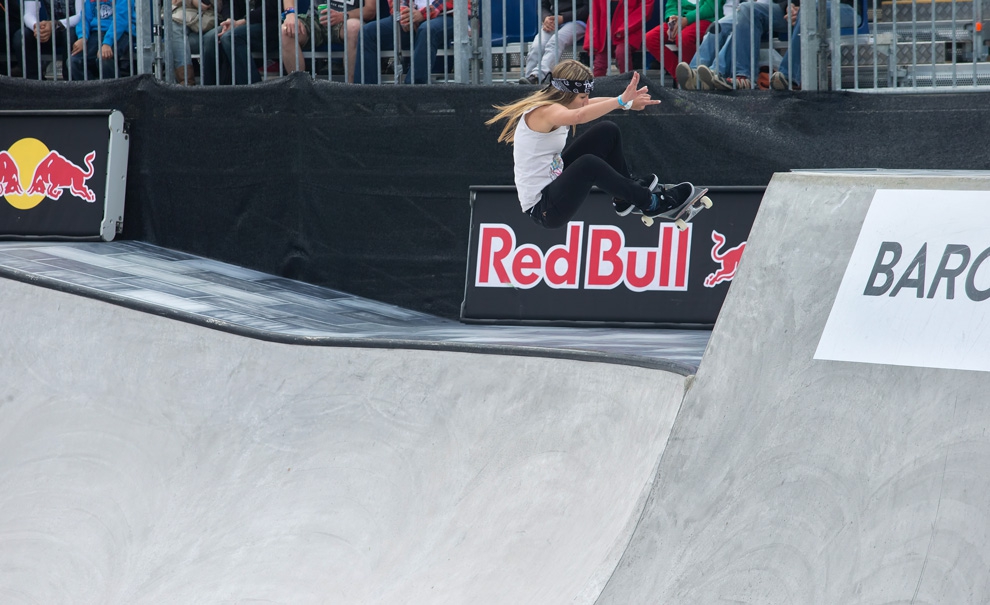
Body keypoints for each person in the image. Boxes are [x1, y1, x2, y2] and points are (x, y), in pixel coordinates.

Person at [485, 59, 702, 229]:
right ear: (566, 94)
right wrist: (619, 101)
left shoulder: (559, 105)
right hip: (545, 208)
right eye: (582, 97)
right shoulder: (545, 112)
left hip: (556, 182)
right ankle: (652, 203)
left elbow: (586, 105)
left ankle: (624, 196)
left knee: (607, 131)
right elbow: (579, 115)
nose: (586, 101)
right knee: (589, 164)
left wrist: (625, 103)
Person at [353, 0, 458, 84]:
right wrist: (404, 15)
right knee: (368, 32)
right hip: (412, 14)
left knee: (427, 30)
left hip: (446, 14)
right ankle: (366, 98)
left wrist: (424, 14)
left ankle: (411, 94)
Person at [280, 0, 374, 83]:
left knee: (355, 28)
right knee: (287, 31)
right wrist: (290, 13)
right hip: (315, 18)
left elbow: (370, 10)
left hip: (346, 19)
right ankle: (300, 91)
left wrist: (343, 15)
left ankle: (352, 92)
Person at [769, 0, 855, 89]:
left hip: (845, 7)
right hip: (799, 10)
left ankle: (787, 76)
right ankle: (753, 81)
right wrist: (789, 5)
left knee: (810, 10)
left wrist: (804, 9)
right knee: (755, 11)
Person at [200, 0, 279, 85]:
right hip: (239, 24)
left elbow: (272, 7)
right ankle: (209, 92)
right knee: (210, 38)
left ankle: (254, 90)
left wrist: (244, 21)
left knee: (230, 37)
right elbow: (228, 4)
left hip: (266, 25)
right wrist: (229, 20)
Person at [644, 0, 721, 80]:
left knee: (684, 38)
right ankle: (682, 78)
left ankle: (694, 76)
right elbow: (671, 5)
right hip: (680, 20)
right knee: (650, 38)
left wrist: (687, 19)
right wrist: (672, 18)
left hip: (706, 19)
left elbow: (710, 8)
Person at [518, 0, 588, 85]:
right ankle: (528, 79)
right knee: (538, 45)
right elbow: (542, 6)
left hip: (578, 21)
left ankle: (538, 76)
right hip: (554, 21)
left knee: (555, 41)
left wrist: (563, 18)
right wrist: (546, 18)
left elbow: (587, 8)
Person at [583, 0, 655, 77]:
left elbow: (645, 11)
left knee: (622, 53)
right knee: (600, 64)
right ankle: (596, 88)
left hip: (630, 31)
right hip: (604, 34)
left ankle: (629, 84)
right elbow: (594, 15)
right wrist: (591, 41)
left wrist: (624, 29)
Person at [13, 0, 82, 80]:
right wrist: (37, 27)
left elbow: (81, 15)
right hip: (48, 29)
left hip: (71, 27)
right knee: (21, 36)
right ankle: (34, 82)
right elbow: (28, 14)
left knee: (71, 35)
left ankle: (69, 83)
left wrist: (55, 24)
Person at [69, 0, 133, 80]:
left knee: (104, 60)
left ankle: (115, 91)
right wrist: (82, 37)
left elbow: (121, 20)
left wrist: (107, 43)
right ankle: (91, 91)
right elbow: (84, 18)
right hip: (96, 33)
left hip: (121, 33)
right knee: (73, 61)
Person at [167, 0, 222, 84]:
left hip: (208, 22)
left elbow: (216, 5)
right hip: (181, 20)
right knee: (174, 32)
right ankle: (187, 82)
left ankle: (186, 82)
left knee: (175, 38)